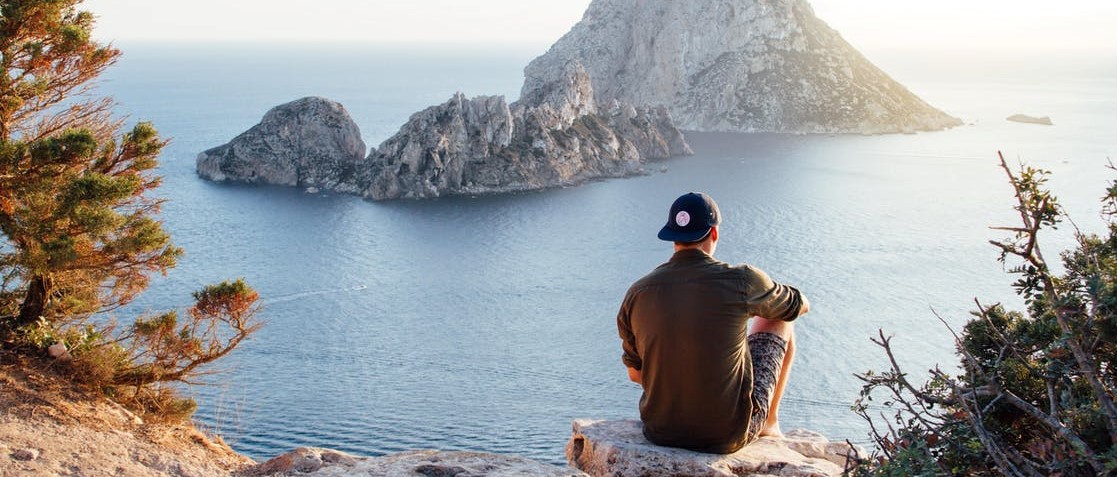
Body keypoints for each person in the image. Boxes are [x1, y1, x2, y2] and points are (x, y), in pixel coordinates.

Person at [616, 192, 809, 454]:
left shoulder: (637, 293)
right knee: (780, 320)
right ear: (714, 234)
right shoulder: (742, 280)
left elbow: (635, 374)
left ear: (673, 237)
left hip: (660, 431)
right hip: (725, 435)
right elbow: (797, 306)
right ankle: (769, 423)